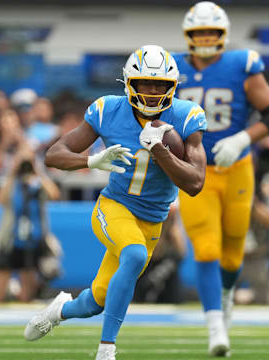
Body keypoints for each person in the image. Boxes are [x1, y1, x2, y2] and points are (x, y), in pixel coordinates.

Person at [24, 45, 207, 360]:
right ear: (129, 83)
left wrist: (160, 150)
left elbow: (195, 183)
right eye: (145, 83)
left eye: (160, 84)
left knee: (95, 302)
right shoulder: (108, 110)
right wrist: (92, 161)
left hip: (152, 221)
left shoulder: (186, 116)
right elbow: (53, 154)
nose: (152, 92)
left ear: (172, 87)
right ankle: (106, 350)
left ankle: (59, 311)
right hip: (114, 207)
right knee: (134, 256)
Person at [173, 2, 269, 356]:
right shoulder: (172, 68)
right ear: (188, 36)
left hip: (237, 169)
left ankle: (227, 296)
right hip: (195, 171)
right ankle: (215, 324)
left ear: (223, 36)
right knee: (206, 248)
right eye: (198, 33)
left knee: (232, 255)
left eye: (210, 33)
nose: (204, 39)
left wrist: (244, 137)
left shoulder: (241, 65)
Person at [0, 147, 61, 302]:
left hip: (32, 242)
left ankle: (16, 292)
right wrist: (13, 170)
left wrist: (38, 171)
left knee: (27, 297)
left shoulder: (37, 184)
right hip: (10, 240)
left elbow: (54, 194)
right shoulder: (12, 183)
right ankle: (10, 290)